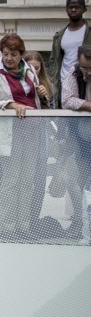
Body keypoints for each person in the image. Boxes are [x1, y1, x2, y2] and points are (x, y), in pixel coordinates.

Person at [0, 34, 46, 241]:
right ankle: (7, 227)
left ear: (21, 55)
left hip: (31, 129)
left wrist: (43, 93)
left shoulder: (28, 70)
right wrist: (9, 104)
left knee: (28, 180)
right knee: (11, 180)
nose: (9, 58)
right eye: (6, 54)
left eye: (14, 54)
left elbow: (35, 98)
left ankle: (23, 226)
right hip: (9, 131)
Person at [57, 44, 91, 237]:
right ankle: (80, 223)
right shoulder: (74, 73)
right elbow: (67, 100)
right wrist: (87, 105)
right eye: (84, 67)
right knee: (77, 182)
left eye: (90, 68)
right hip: (79, 138)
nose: (86, 72)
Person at [50, 0, 91, 107]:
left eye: (77, 7)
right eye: (70, 7)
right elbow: (54, 60)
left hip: (85, 80)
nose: (73, 9)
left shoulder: (89, 31)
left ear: (84, 9)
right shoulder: (59, 35)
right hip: (63, 81)